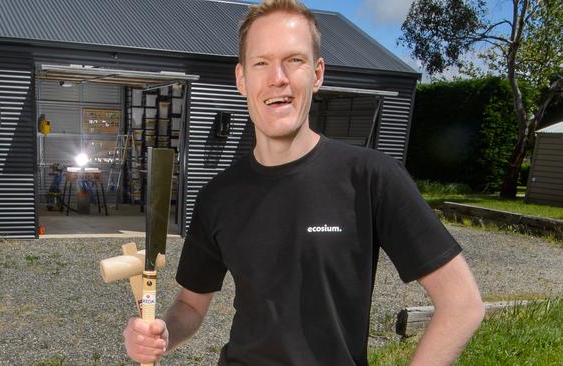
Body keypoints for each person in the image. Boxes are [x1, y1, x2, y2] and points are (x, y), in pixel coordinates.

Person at [123, 0, 485, 364]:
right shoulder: (217, 196)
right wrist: (162, 334)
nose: (277, 77)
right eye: (261, 62)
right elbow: (190, 304)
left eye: (294, 60)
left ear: (317, 73)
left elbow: (462, 304)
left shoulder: (372, 178)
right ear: (242, 79)